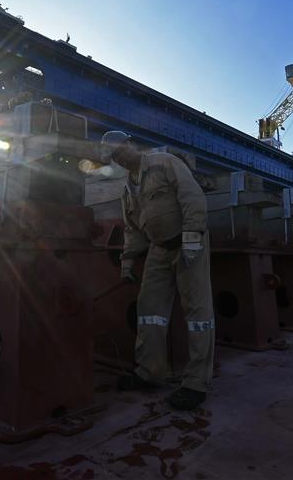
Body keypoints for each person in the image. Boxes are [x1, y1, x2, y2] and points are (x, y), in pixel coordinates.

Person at [99, 130, 214, 411]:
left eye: (121, 148)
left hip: (190, 242)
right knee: (149, 309)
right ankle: (149, 372)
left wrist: (190, 240)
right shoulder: (128, 190)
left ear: (131, 144)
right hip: (158, 249)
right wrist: (127, 263)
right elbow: (132, 229)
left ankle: (196, 383)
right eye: (115, 155)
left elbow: (192, 198)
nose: (121, 156)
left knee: (197, 312)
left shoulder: (164, 163)